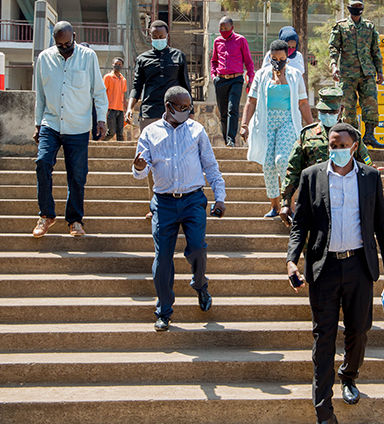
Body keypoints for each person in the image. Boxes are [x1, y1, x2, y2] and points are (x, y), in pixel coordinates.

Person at [287, 122, 384, 424]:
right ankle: (323, 409)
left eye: (340, 145)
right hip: (324, 268)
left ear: (354, 146)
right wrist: (291, 261)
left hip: (359, 267)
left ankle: (349, 375)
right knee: (323, 337)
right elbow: (300, 225)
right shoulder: (311, 177)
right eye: (331, 145)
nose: (335, 150)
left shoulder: (371, 178)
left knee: (359, 331)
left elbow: (382, 226)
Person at [132, 86, 226, 332]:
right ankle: (164, 311)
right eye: (181, 107)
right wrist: (140, 166)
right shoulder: (149, 133)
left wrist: (220, 196)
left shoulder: (197, 130)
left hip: (193, 199)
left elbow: (210, 164)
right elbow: (139, 173)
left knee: (197, 248)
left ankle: (200, 284)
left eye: (189, 107)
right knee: (163, 258)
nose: (186, 111)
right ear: (168, 106)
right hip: (163, 203)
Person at [32, 21, 108, 238]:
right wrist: (38, 124)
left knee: (77, 175)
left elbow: (99, 92)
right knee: (42, 162)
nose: (65, 48)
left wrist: (101, 120)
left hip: (78, 125)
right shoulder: (44, 59)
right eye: (60, 45)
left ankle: (74, 220)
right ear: (54, 42)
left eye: (68, 43)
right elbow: (40, 95)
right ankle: (46, 215)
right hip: (51, 122)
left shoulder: (88, 56)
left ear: (74, 36)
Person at [126, 20, 192, 219]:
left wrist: (191, 112)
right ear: (150, 37)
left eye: (161, 37)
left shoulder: (178, 56)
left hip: (176, 113)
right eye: (155, 37)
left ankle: (179, 204)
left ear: (167, 35)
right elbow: (137, 86)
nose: (158, 40)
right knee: (150, 160)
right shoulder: (142, 59)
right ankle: (154, 205)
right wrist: (130, 107)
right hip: (150, 112)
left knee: (177, 157)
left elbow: (185, 85)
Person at [240, 40, 313, 218]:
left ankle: (289, 203)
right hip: (265, 122)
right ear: (269, 57)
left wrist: (310, 127)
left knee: (282, 160)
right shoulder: (261, 74)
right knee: (268, 163)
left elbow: (303, 103)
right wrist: (244, 124)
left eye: (281, 58)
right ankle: (275, 206)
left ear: (287, 57)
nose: (278, 61)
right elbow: (251, 101)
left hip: (288, 121)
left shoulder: (295, 75)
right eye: (274, 58)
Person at [278, 98, 374, 224]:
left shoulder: (352, 135)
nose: (327, 115)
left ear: (341, 110)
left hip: (346, 198)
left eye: (332, 111)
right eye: (323, 111)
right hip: (315, 198)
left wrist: (372, 174)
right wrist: (285, 202)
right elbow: (293, 170)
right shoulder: (307, 135)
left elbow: (365, 167)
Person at [328, 0, 384, 149]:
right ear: (349, 7)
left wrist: (379, 71)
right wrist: (334, 66)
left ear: (363, 7)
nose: (357, 9)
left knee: (371, 103)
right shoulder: (340, 27)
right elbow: (334, 48)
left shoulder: (369, 27)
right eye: (355, 6)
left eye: (360, 6)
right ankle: (353, 139)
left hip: (367, 73)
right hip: (347, 74)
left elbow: (375, 50)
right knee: (348, 107)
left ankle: (369, 136)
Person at [211, 16, 256, 147]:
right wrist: (214, 76)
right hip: (220, 80)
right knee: (223, 112)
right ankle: (226, 140)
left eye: (226, 28)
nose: (223, 31)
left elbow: (249, 62)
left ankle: (231, 139)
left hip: (236, 79)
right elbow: (213, 61)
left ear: (232, 28)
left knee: (232, 109)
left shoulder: (241, 40)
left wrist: (250, 79)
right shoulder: (217, 41)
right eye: (221, 29)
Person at [103, 57, 127, 141]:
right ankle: (102, 143)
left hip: (120, 110)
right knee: (111, 132)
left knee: (120, 133)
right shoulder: (107, 77)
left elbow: (123, 96)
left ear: (122, 66)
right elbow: (103, 93)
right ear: (112, 65)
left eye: (120, 64)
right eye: (116, 64)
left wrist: (127, 110)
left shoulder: (123, 80)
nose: (118, 66)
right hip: (110, 109)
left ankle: (122, 152)